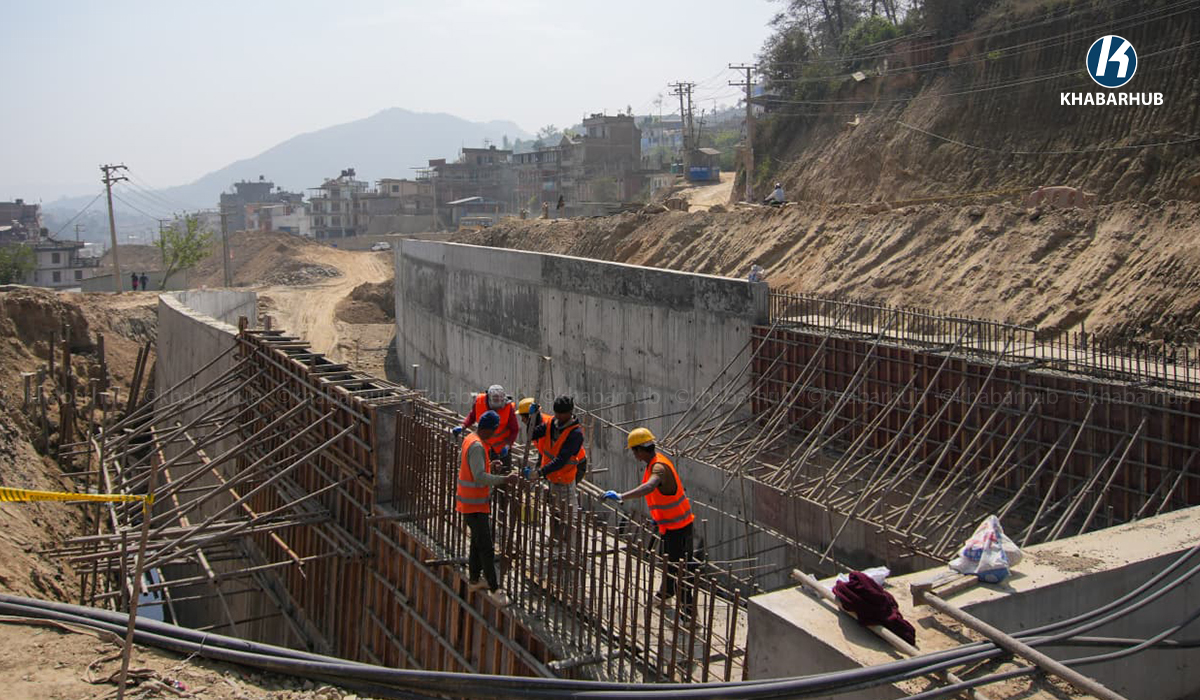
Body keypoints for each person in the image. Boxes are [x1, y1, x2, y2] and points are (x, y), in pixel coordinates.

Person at [604, 427, 696, 611]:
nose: (634, 455)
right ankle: (665, 596)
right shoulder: (654, 462)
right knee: (669, 563)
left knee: (680, 569)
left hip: (679, 528)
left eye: (634, 451)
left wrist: (621, 496)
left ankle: (688, 613)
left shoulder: (658, 467)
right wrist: (659, 518)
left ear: (640, 450)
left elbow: (649, 487)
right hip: (670, 525)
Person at [456, 410, 519, 606]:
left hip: (472, 503)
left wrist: (491, 465)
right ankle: (494, 589)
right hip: (474, 505)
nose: (494, 435)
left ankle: (474, 580)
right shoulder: (477, 446)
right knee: (486, 547)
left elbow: (475, 468)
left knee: (477, 543)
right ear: (488, 429)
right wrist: (504, 479)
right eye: (494, 431)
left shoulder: (471, 439)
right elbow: (479, 477)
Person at [521, 395, 587, 514]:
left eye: (561, 414)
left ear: (569, 413)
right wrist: (532, 418)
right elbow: (532, 435)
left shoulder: (575, 434)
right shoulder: (552, 423)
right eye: (556, 413)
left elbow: (561, 460)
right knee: (554, 514)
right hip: (551, 477)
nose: (558, 416)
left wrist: (539, 472)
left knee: (568, 516)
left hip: (565, 480)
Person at [454, 385, 518, 470]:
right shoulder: (480, 401)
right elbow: (472, 416)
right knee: (482, 470)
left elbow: (514, 430)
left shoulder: (508, 407)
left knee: (503, 472)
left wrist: (507, 445)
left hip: (501, 448)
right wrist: (463, 426)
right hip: (484, 445)